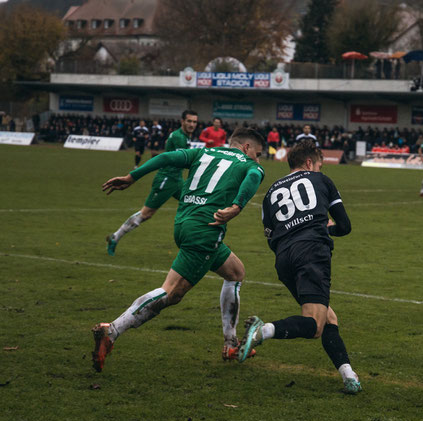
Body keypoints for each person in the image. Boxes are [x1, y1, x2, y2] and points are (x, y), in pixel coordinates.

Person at [92, 127, 266, 372]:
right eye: (257, 153)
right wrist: (237, 206)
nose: (258, 160)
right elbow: (253, 178)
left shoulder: (203, 153)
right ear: (247, 148)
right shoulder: (251, 165)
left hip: (184, 225)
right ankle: (112, 330)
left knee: (235, 272)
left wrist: (132, 176)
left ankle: (230, 343)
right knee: (170, 293)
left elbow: (165, 158)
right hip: (206, 231)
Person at [237, 140, 361, 394]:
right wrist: (324, 228)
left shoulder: (271, 192)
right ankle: (264, 330)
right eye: (319, 165)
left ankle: (349, 375)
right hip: (312, 251)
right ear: (309, 163)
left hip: (283, 258)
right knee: (314, 325)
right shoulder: (322, 180)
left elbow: (270, 236)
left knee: (328, 317)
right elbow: (345, 226)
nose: (320, 169)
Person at [106, 110, 197, 257]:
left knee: (194, 203)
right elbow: (183, 160)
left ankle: (195, 245)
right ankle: (115, 237)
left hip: (177, 179)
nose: (192, 124)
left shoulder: (184, 136)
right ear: (182, 121)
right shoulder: (179, 137)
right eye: (189, 121)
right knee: (146, 214)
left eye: (194, 122)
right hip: (166, 180)